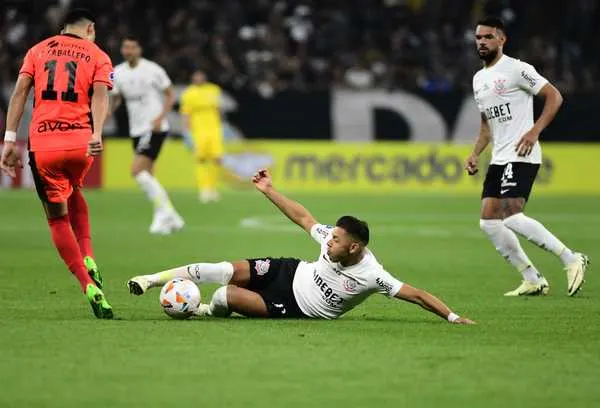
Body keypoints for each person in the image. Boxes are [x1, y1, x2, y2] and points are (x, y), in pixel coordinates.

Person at [127, 169, 474, 324]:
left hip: (293, 305)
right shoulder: (330, 239)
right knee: (225, 270)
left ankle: (201, 310)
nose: (329, 240)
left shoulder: (373, 275)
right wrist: (269, 190)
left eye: (337, 240)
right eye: (331, 235)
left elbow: (416, 294)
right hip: (290, 270)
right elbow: (303, 217)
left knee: (223, 296)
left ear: (354, 248)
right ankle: (151, 279)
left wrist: (452, 316)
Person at [465, 16, 589, 297]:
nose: (482, 42)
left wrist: (534, 131)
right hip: (499, 157)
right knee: (489, 221)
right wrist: (475, 153)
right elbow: (487, 124)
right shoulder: (479, 79)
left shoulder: (517, 69)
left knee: (511, 216)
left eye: (488, 37)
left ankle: (571, 258)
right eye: (478, 38)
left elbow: (554, 96)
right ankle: (532, 278)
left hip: (521, 153)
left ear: (501, 39)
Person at [0, 9, 113, 318]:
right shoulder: (98, 54)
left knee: (56, 219)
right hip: (81, 145)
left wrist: (9, 140)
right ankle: (88, 255)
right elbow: (101, 96)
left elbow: (20, 92)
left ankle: (86, 284)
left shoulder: (38, 50)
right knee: (74, 188)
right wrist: (97, 132)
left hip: (44, 145)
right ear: (90, 28)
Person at [110, 36, 184, 234]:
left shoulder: (153, 69)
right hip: (136, 129)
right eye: (125, 47)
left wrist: (161, 117)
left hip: (154, 127)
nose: (128, 51)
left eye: (132, 47)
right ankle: (171, 217)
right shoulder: (117, 72)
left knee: (137, 171)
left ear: (139, 49)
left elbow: (170, 94)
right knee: (148, 175)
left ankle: (166, 213)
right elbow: (116, 97)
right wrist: (107, 114)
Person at [179, 69, 224, 203]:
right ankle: (204, 189)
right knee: (201, 160)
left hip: (215, 130)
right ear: (193, 78)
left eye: (201, 76)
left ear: (204, 77)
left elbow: (219, 109)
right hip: (198, 131)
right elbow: (186, 113)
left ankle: (213, 188)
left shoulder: (214, 89)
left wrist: (222, 127)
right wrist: (187, 132)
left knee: (217, 159)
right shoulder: (188, 93)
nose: (199, 78)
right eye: (196, 76)